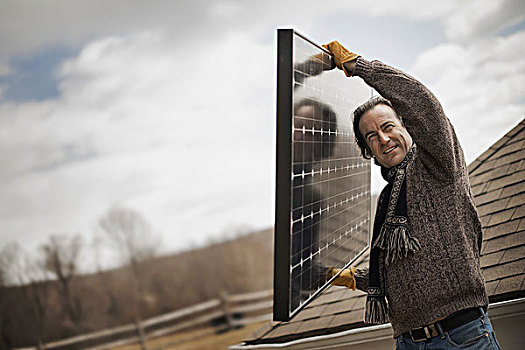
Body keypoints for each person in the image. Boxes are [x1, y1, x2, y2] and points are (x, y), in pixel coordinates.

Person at [323, 41, 501, 349]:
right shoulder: (389, 200)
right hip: (408, 342)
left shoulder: (438, 164)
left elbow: (423, 102)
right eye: (371, 136)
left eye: (388, 126)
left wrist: (360, 66)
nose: (383, 138)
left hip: (463, 337)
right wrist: (353, 278)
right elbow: (398, 273)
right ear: (369, 151)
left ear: (407, 125)